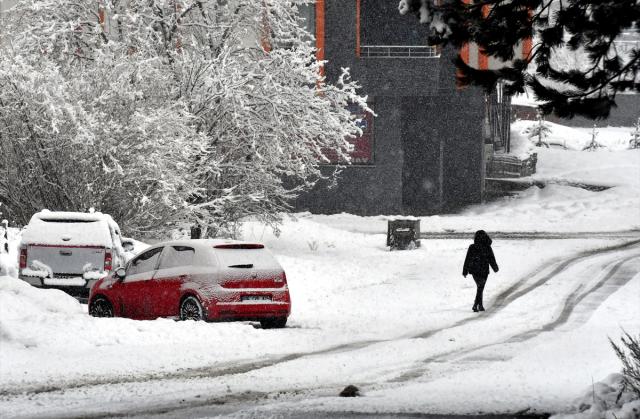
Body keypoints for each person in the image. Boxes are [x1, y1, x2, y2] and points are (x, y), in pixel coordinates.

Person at [463, 230, 499, 312]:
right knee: (480, 287)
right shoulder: (487, 247)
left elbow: (467, 260)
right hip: (484, 270)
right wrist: (495, 268)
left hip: (474, 271)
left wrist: (465, 271)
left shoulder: (472, 247)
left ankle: (480, 305)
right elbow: (491, 259)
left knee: (480, 287)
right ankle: (476, 305)